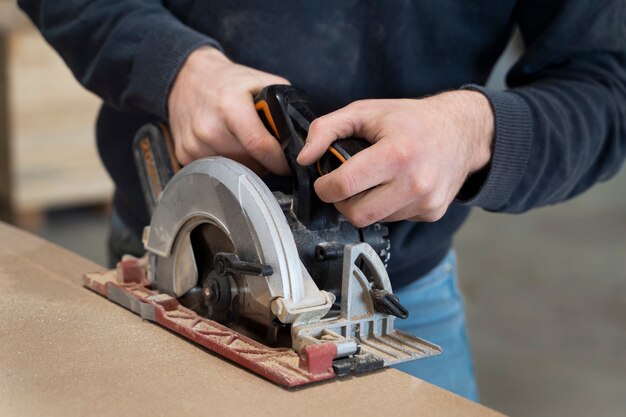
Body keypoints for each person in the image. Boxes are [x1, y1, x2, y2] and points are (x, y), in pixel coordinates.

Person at [18, 1, 626, 401]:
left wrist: (476, 131)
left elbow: (607, 83)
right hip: (176, 265)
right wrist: (176, 67)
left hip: (390, 294)